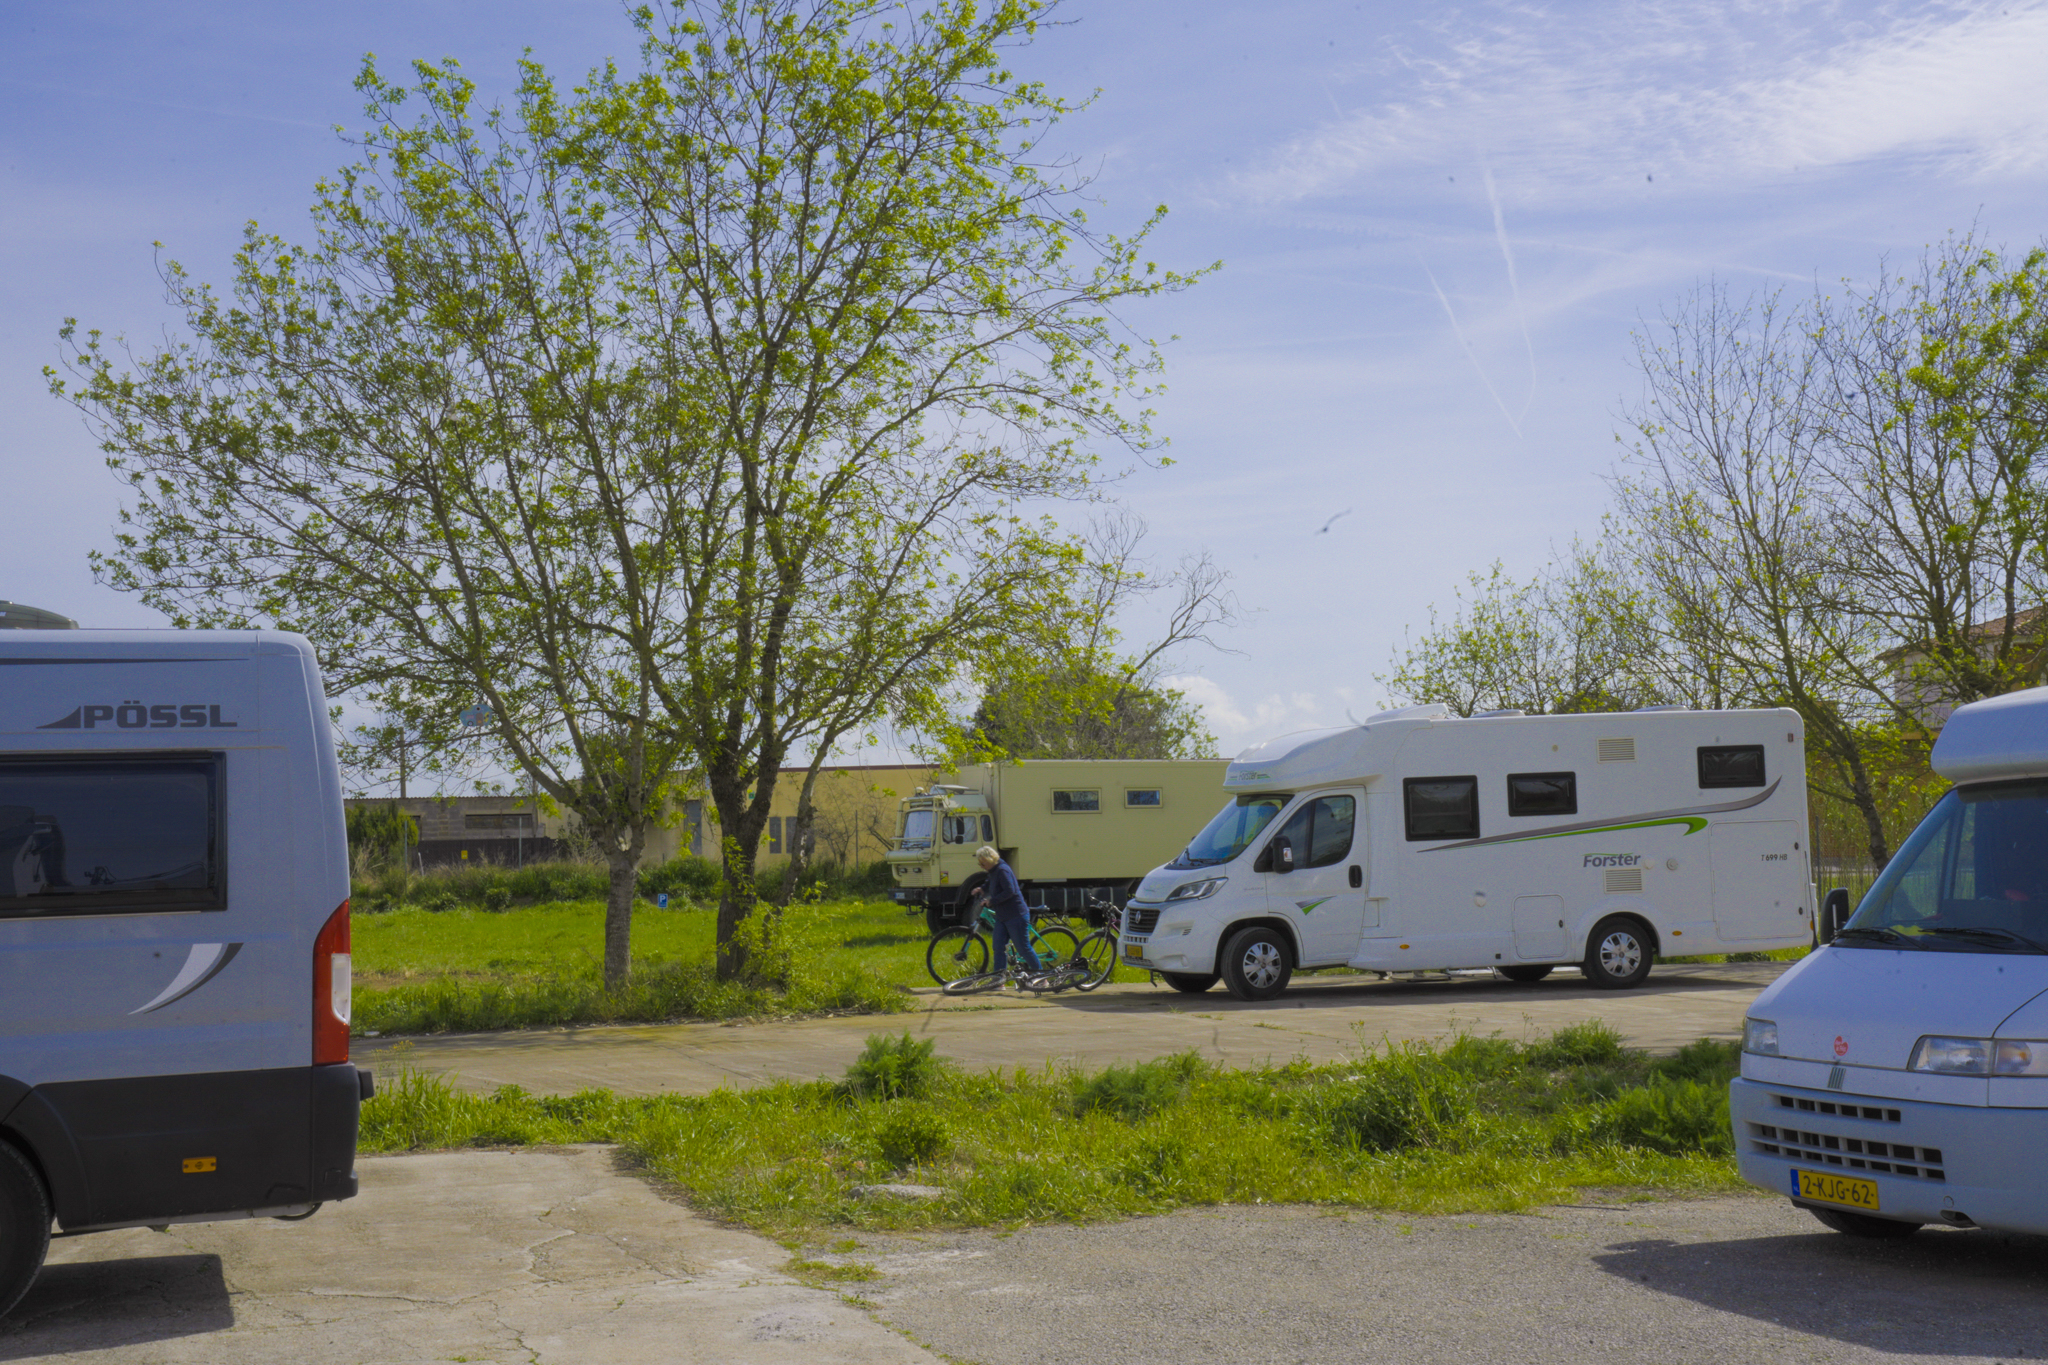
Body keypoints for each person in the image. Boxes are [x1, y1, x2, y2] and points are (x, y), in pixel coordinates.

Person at [973, 845, 1041, 977]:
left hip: (1016, 915)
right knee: (998, 947)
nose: (981, 865)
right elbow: (990, 881)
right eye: (979, 863)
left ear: (990, 859)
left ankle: (1041, 977)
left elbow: (1010, 891)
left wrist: (992, 901)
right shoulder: (994, 870)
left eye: (983, 863)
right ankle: (999, 980)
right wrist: (982, 888)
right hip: (1002, 916)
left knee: (1023, 949)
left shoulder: (1003, 870)